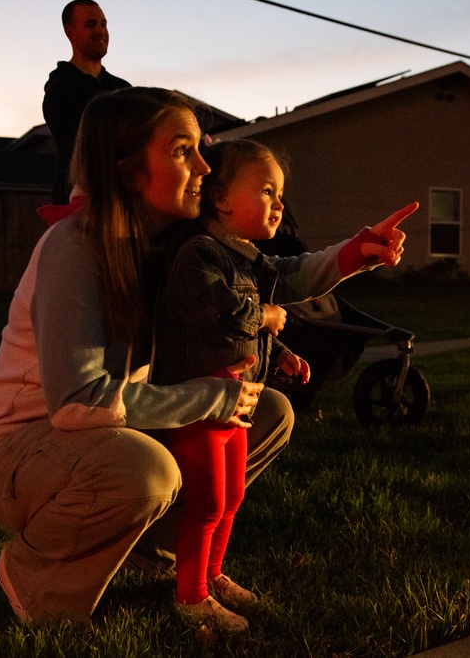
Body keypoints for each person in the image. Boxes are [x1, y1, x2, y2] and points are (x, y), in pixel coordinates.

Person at [0, 85, 418, 628]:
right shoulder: (76, 248)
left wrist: (352, 254)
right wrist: (211, 397)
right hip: (17, 449)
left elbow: (275, 276)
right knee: (146, 468)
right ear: (128, 169)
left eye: (201, 147)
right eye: (182, 150)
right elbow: (78, 404)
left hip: (103, 430)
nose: (205, 165)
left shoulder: (176, 244)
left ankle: (153, 550)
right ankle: (37, 579)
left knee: (267, 412)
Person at [153, 139, 311, 631]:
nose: (279, 203)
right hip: (200, 400)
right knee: (206, 501)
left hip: (236, 400)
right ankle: (191, 596)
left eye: (280, 194)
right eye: (266, 191)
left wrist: (280, 354)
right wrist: (263, 316)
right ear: (221, 199)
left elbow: (243, 338)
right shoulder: (199, 254)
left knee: (232, 497)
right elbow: (217, 314)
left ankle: (213, 575)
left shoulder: (247, 261)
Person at [43, 0, 130, 204]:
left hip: (121, 199)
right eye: (91, 25)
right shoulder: (61, 90)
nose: (101, 31)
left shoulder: (123, 89)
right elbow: (80, 152)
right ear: (70, 32)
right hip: (79, 205)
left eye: (103, 24)